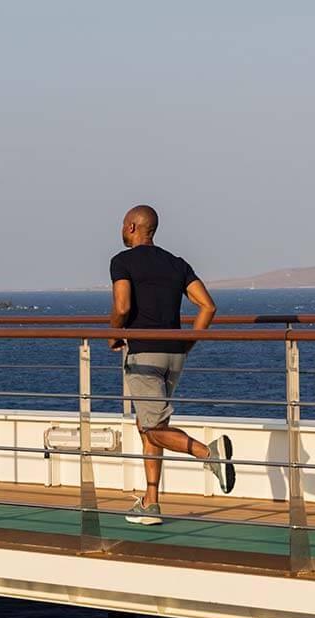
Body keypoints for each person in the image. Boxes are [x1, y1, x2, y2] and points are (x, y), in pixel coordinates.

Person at [108, 204, 234, 525]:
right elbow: (208, 306)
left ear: (132, 227)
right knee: (147, 425)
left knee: (153, 428)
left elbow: (122, 306)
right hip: (174, 354)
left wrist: (113, 334)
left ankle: (209, 454)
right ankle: (151, 503)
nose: (121, 229)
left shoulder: (122, 262)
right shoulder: (177, 263)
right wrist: (187, 342)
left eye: (123, 225)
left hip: (144, 355)